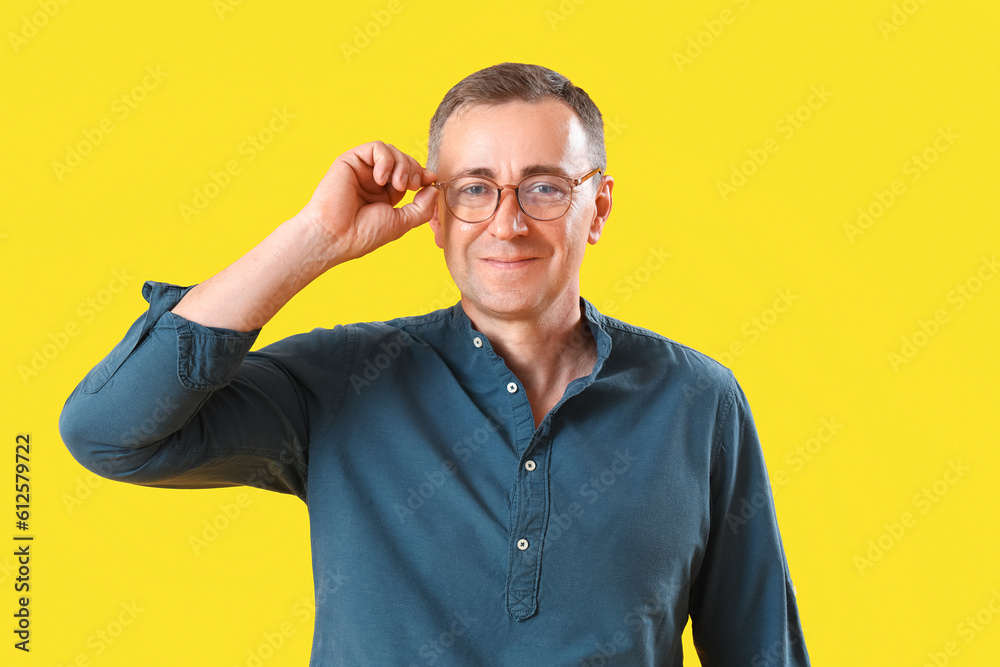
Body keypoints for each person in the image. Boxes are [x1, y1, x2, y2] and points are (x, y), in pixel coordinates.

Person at [60, 62, 810, 666]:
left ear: (600, 207)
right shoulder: (343, 380)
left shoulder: (698, 401)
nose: (507, 223)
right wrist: (313, 238)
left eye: (545, 187)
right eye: (474, 189)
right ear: (438, 211)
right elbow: (110, 429)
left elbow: (761, 649)